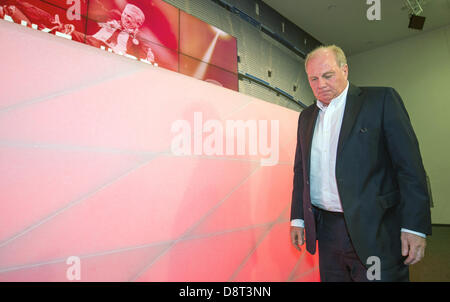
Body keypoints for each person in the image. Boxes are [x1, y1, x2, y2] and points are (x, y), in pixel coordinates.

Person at [290, 45, 432, 282]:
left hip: (377, 229)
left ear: (345, 70)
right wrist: (298, 218)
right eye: (313, 78)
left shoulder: (381, 101)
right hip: (327, 231)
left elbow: (409, 167)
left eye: (327, 75)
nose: (320, 84)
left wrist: (414, 227)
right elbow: (300, 171)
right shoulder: (306, 117)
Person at [72, 3, 155, 62]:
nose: (125, 17)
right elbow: (97, 14)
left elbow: (147, 50)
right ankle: (62, 27)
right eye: (124, 14)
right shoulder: (113, 17)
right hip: (92, 41)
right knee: (75, 34)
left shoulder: (137, 36)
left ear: (137, 24)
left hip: (113, 52)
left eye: (129, 16)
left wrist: (149, 54)